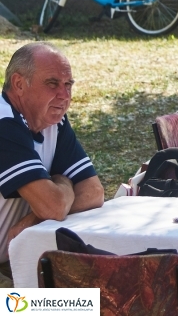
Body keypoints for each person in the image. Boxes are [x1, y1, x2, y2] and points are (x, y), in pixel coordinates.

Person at [0, 43, 104, 286]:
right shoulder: (4, 124)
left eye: (68, 85)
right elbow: (54, 207)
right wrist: (63, 181)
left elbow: (93, 192)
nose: (64, 95)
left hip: (15, 256)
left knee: (94, 297)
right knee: (69, 306)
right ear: (18, 84)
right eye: (52, 83)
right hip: (11, 260)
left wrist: (32, 220)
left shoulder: (52, 121)